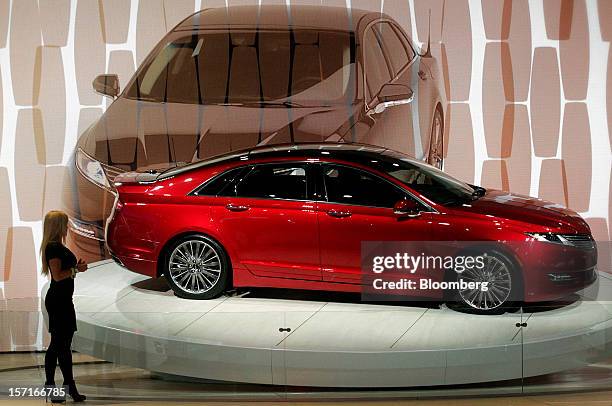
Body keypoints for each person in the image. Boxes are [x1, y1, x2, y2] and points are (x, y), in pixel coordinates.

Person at [40, 211, 87, 403]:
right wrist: (77, 269)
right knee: (60, 346)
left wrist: (75, 269)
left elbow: (62, 274)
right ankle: (63, 387)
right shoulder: (53, 248)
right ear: (59, 225)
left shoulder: (56, 246)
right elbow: (58, 276)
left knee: (60, 345)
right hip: (59, 301)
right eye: (65, 223)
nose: (67, 227)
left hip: (63, 300)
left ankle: (60, 386)